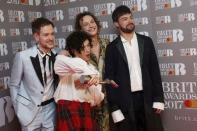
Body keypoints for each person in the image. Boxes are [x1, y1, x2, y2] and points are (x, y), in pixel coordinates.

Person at [104, 5, 164, 131]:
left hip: (147, 99)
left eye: (131, 17)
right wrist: (114, 108)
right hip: (125, 102)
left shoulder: (146, 42)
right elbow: (109, 79)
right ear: (116, 23)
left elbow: (155, 72)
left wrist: (158, 98)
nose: (130, 21)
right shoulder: (112, 48)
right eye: (124, 19)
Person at [9, 17, 58, 131]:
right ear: (36, 37)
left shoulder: (58, 55)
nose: (51, 38)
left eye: (52, 34)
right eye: (46, 35)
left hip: (51, 109)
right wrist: (18, 108)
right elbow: (14, 85)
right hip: (29, 111)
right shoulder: (23, 56)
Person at [54, 31, 104, 131]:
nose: (87, 50)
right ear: (74, 50)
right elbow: (59, 63)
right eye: (82, 47)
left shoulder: (93, 70)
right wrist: (89, 75)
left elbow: (97, 100)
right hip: (68, 110)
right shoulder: (68, 64)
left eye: (88, 46)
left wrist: (90, 82)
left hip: (87, 110)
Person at [75, 11, 110, 131]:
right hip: (91, 101)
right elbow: (76, 78)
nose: (91, 25)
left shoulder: (108, 44)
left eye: (92, 22)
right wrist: (88, 79)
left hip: (111, 100)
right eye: (86, 24)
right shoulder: (78, 51)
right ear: (80, 30)